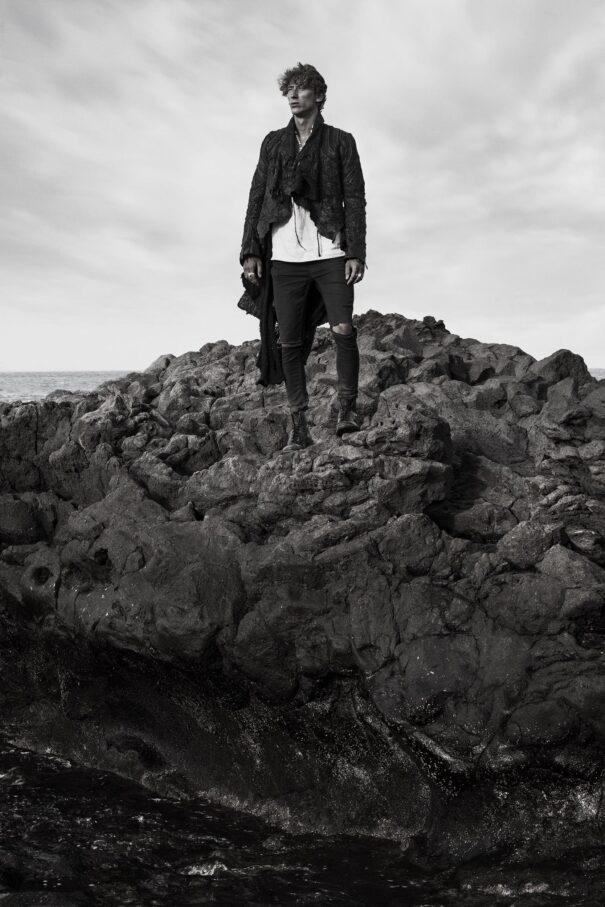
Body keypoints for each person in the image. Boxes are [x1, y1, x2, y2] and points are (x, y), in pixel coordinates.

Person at [238, 62, 367, 451]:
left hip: (331, 250)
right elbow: (257, 196)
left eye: (301, 88)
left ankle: (347, 411)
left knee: (344, 329)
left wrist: (356, 251)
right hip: (284, 257)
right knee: (289, 342)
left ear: (319, 95)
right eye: (288, 89)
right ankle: (299, 426)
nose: (293, 95)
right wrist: (250, 250)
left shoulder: (341, 141)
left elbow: (355, 199)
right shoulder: (273, 143)